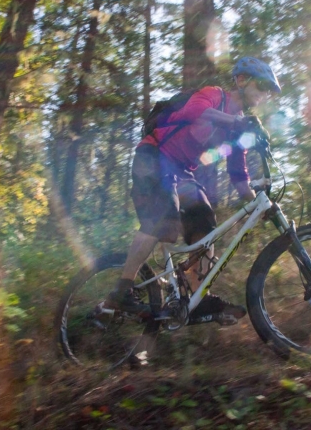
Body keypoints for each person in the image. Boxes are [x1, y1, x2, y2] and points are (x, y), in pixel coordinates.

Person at [109, 57, 281, 325]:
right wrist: (238, 123)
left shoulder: (238, 129)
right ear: (241, 80)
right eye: (261, 86)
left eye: (268, 91)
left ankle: (197, 300)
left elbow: (239, 179)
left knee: (204, 223)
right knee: (162, 218)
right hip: (154, 154)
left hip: (181, 171)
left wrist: (263, 204)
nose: (264, 94)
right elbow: (194, 113)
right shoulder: (214, 95)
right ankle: (123, 289)